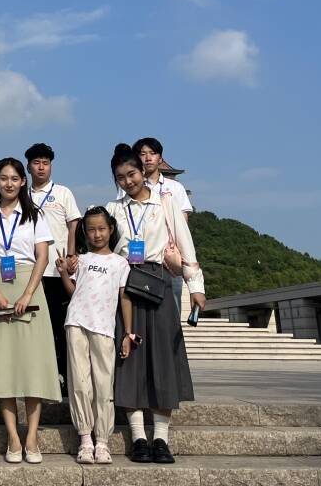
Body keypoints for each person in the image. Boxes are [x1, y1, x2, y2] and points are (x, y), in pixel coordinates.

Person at [108, 147, 205, 465]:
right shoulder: (113, 209)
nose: (128, 182)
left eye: (132, 174)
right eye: (121, 178)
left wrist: (196, 287)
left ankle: (161, 438)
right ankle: (138, 437)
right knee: (130, 360)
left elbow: (185, 244)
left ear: (143, 171)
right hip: (125, 287)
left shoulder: (165, 203)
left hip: (158, 282)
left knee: (163, 358)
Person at [0, 157, 61, 464]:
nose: (8, 183)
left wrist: (27, 293)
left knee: (32, 364)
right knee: (5, 365)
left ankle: (32, 436)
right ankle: (13, 436)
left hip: (29, 286)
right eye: (3, 178)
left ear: (22, 182)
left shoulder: (35, 215)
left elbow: (42, 257)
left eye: (14, 178)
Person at [59, 207, 133, 466]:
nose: (97, 234)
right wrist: (63, 272)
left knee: (103, 384)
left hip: (104, 328)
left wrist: (128, 332)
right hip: (76, 323)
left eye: (102, 229)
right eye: (91, 229)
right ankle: (85, 439)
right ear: (85, 232)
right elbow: (72, 291)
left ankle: (102, 440)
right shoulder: (80, 260)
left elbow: (124, 298)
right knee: (80, 383)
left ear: (111, 229)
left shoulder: (121, 263)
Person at [25, 142, 81, 392]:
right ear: (28, 166)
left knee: (60, 325)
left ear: (51, 166)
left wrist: (71, 255)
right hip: (31, 272)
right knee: (35, 327)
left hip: (57, 271)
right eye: (36, 163)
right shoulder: (23, 194)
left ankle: (64, 376)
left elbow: (73, 225)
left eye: (45, 163)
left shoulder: (62, 192)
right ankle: (39, 377)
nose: (41, 167)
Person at [132, 138, 194, 316]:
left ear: (160, 158)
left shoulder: (175, 188)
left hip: (169, 254)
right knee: (140, 305)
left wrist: (182, 254)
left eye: (152, 153)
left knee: (172, 305)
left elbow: (183, 224)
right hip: (141, 253)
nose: (148, 158)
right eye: (142, 154)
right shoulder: (131, 187)